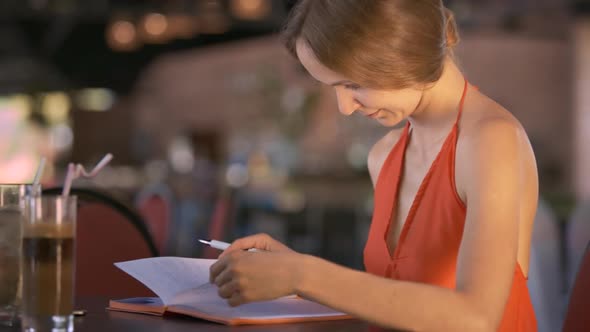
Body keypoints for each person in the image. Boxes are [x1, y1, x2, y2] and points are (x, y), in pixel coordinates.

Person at [209, 1, 539, 331]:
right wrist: (288, 271)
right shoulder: (385, 154)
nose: (345, 107)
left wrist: (304, 274)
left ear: (404, 52)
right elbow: (396, 303)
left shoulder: (491, 141)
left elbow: (475, 318)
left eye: (352, 84)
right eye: (333, 87)